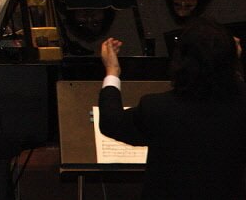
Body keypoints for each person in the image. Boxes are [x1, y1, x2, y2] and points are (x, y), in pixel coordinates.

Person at [98, 19, 246, 200]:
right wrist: (232, 62)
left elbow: (111, 122)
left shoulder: (157, 108)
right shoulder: (240, 106)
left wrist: (112, 71)